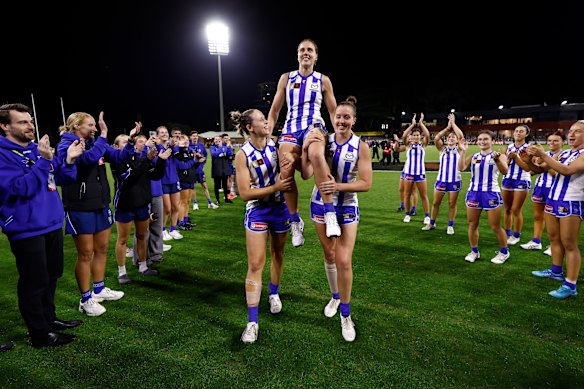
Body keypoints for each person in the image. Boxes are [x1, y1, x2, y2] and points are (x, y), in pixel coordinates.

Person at [0, 103, 85, 347]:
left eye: (30, 121)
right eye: (22, 122)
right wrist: (43, 162)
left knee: (52, 275)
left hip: (50, 223)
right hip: (26, 227)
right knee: (34, 280)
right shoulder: (3, 153)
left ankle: (49, 319)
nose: (30, 126)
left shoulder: (36, 150)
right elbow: (19, 188)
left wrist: (67, 160)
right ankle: (39, 333)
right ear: (5, 126)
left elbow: (61, 178)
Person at [299, 96, 372, 342]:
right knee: (329, 255)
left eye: (346, 117)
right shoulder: (323, 140)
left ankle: (346, 314)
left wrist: (336, 186)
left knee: (344, 260)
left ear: (354, 120)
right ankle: (334, 295)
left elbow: (366, 183)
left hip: (347, 207)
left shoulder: (361, 146)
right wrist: (304, 150)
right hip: (320, 205)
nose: (341, 121)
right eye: (338, 117)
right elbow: (307, 173)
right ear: (333, 118)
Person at [56, 111, 136, 317]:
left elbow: (119, 157)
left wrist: (130, 143)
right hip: (80, 206)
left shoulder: (94, 143)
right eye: (89, 125)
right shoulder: (67, 144)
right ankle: (85, 299)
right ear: (75, 126)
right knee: (85, 253)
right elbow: (88, 159)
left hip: (100, 204)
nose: (93, 128)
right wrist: (103, 134)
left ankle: (99, 289)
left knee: (102, 249)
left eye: (95, 125)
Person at [268, 38, 341, 248]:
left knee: (317, 155)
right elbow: (274, 111)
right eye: (302, 50)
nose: (306, 53)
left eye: (310, 50)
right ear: (297, 55)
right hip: (290, 129)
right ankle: (295, 221)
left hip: (314, 125)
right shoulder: (286, 78)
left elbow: (334, 111)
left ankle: (329, 213)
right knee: (286, 170)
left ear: (316, 56)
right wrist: (268, 133)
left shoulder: (323, 80)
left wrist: (337, 137)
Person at [231, 108, 293, 344]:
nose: (266, 122)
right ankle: (252, 322)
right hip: (257, 209)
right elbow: (245, 194)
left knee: (278, 253)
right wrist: (275, 188)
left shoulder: (276, 145)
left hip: (280, 209)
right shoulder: (243, 154)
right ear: (249, 127)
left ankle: (274, 294)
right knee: (256, 263)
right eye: (261, 119)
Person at [527, 121, 584, 299]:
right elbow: (539, 170)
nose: (572, 134)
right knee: (553, 239)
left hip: (571, 201)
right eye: (571, 131)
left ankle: (570, 285)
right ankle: (556, 272)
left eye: (578, 131)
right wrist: (529, 159)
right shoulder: (565, 153)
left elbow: (566, 170)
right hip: (553, 199)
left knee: (569, 244)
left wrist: (543, 154)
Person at [110, 133, 168, 284]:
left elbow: (155, 175)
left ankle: (143, 266)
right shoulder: (117, 162)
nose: (129, 145)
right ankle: (122, 272)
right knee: (122, 240)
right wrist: (148, 160)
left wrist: (161, 161)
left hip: (142, 204)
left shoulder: (141, 159)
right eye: (124, 143)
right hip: (125, 205)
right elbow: (130, 177)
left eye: (130, 142)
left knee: (142, 236)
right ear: (116, 147)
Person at [458, 131, 510, 264]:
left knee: (495, 226)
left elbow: (505, 171)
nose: (482, 141)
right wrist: (463, 151)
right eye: (480, 139)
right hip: (474, 193)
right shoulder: (474, 156)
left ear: (492, 141)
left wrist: (497, 160)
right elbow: (461, 167)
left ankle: (504, 252)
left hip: (491, 194)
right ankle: (474, 251)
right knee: (472, 224)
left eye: (486, 139)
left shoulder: (500, 156)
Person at [520, 131, 565, 251]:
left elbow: (557, 174)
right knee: (537, 216)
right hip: (540, 187)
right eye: (550, 140)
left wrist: (546, 162)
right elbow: (535, 171)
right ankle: (536, 241)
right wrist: (531, 163)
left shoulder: (564, 155)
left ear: (562, 142)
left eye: (556, 140)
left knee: (556, 219)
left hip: (554, 189)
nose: (552, 143)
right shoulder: (545, 154)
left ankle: (554, 245)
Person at [421, 113, 464, 234]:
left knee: (452, 204)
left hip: (454, 180)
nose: (451, 138)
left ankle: (450, 225)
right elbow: (436, 138)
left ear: (456, 140)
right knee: (435, 203)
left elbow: (461, 136)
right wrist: (447, 128)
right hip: (441, 180)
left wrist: (453, 124)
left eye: (453, 137)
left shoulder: (459, 149)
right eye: (449, 137)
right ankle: (432, 223)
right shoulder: (442, 149)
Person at [395, 114, 431, 225]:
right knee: (407, 194)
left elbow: (428, 134)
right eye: (414, 135)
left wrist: (420, 123)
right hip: (408, 174)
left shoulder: (423, 145)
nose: (415, 137)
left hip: (420, 174)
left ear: (420, 136)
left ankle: (427, 216)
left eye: (417, 135)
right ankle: (407, 214)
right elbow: (405, 135)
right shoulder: (408, 145)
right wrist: (412, 124)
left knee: (424, 195)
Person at [501, 124, 532, 245]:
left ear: (526, 134)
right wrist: (506, 159)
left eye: (521, 131)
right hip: (508, 179)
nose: (518, 133)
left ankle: (516, 235)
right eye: (516, 131)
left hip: (522, 180)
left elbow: (528, 168)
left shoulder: (529, 148)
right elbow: (504, 166)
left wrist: (517, 158)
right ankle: (507, 233)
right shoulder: (507, 147)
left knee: (516, 210)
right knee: (507, 209)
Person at [189, 131, 219, 210]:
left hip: (200, 170)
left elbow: (205, 155)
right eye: (193, 136)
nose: (195, 137)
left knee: (204, 186)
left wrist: (202, 163)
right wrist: (195, 159)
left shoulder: (201, 145)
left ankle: (210, 202)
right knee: (193, 187)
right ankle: (195, 203)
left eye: (196, 136)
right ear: (190, 137)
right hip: (191, 170)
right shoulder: (188, 145)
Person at [210, 135, 234, 205]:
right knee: (217, 185)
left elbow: (230, 154)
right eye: (216, 139)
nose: (217, 141)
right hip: (217, 169)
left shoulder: (225, 147)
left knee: (225, 185)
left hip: (224, 168)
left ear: (221, 140)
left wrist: (229, 147)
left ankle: (226, 199)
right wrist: (221, 148)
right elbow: (214, 154)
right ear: (214, 141)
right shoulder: (212, 147)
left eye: (219, 139)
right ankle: (218, 200)